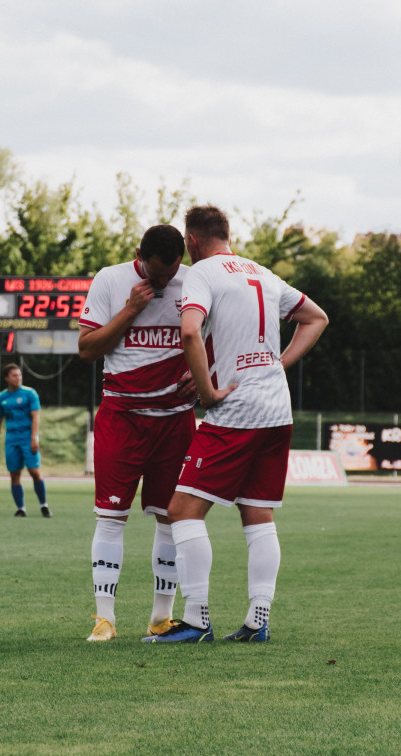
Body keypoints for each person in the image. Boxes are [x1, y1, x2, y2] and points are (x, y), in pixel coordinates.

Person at [143, 205, 328, 644]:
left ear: (191, 241)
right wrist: (277, 365)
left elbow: (190, 333)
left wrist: (206, 392)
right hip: (276, 409)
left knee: (182, 512)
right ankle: (257, 619)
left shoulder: (203, 273)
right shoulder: (263, 273)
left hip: (236, 411)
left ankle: (196, 619)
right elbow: (316, 317)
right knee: (257, 513)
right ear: (228, 233)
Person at [79, 224, 198, 641]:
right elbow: (87, 349)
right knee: (111, 518)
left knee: (171, 519)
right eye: (155, 274)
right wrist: (129, 310)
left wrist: (206, 377)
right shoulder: (110, 280)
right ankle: (104, 619)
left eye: (171, 274)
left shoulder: (193, 282)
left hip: (176, 420)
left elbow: (215, 341)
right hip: (122, 418)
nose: (163, 283)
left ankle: (161, 618)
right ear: (138, 255)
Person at [0, 363, 52, 518]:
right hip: (11, 439)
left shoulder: (30, 393)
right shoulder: (1, 398)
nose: (18, 378)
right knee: (14, 474)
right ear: (7, 378)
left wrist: (34, 437)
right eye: (14, 375)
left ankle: (44, 505)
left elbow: (36, 416)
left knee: (34, 471)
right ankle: (21, 508)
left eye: (19, 375)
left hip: (27, 437)